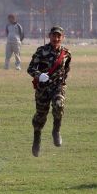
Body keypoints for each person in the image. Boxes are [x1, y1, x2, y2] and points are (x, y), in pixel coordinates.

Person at [27, 26, 71, 157]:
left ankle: (56, 131)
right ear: (49, 36)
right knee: (40, 116)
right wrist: (39, 75)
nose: (56, 39)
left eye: (59, 36)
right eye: (53, 36)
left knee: (59, 104)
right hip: (43, 89)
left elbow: (66, 70)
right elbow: (30, 69)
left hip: (58, 87)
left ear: (62, 38)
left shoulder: (66, 54)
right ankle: (37, 137)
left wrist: (61, 83)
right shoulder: (41, 51)